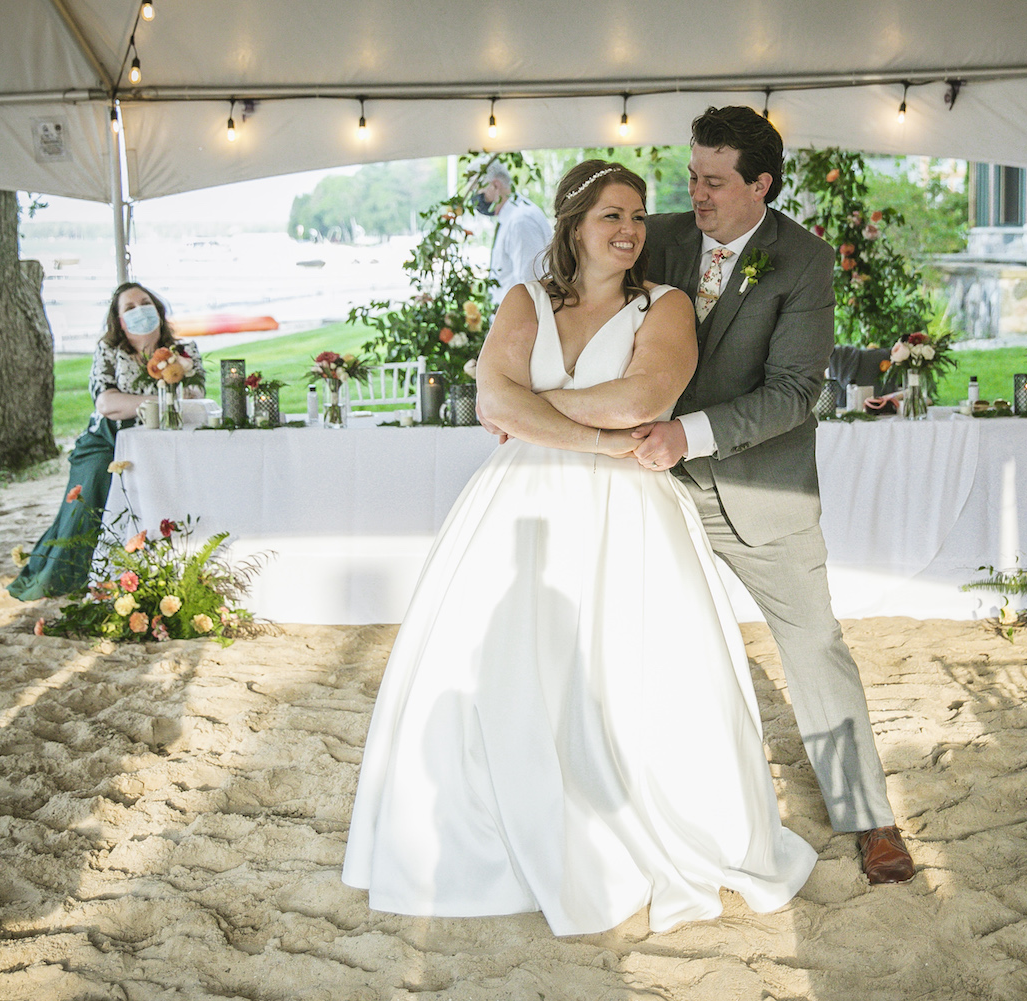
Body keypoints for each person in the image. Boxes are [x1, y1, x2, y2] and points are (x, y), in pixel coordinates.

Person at [343, 160, 817, 936]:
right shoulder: (523, 301)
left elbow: (644, 398)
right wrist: (589, 437)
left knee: (628, 663)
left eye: (636, 216)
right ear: (574, 227)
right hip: (519, 504)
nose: (631, 230)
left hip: (627, 505)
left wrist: (537, 411)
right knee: (505, 664)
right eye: (611, 217)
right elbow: (492, 400)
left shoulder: (665, 307)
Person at [551, 106, 915, 884]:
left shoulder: (804, 261)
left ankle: (869, 816)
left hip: (760, 492)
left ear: (762, 185)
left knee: (815, 645)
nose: (697, 194)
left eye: (715, 181)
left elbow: (793, 391)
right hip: (642, 483)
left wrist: (689, 433)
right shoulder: (663, 236)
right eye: (692, 176)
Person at [9, 284, 202, 601]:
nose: (139, 310)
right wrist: (161, 397)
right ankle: (76, 571)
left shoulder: (185, 352)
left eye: (145, 302)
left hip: (168, 437)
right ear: (120, 320)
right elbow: (106, 403)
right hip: (107, 437)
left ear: (157, 308)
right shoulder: (109, 352)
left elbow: (195, 396)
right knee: (97, 476)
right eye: (129, 308)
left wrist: (137, 401)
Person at [473, 159, 552, 306]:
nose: (476, 198)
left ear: (495, 185)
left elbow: (531, 284)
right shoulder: (512, 217)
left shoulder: (521, 221)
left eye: (478, 191)